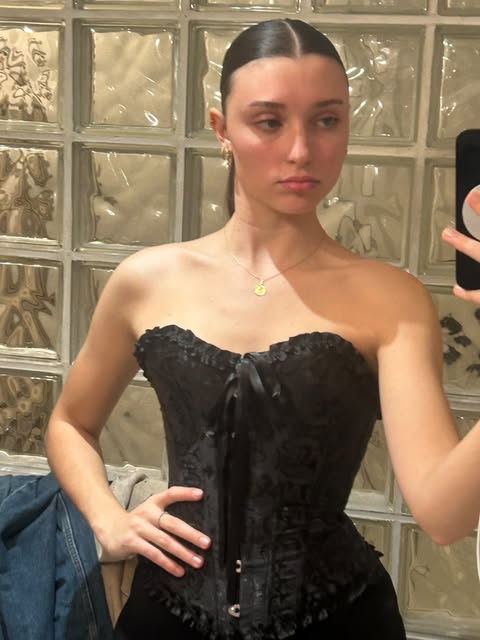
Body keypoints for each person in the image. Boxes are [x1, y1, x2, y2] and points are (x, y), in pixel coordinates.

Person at [45, 18, 480, 640]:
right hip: (166, 618)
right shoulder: (147, 280)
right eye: (270, 122)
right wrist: (108, 520)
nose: (301, 150)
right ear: (222, 129)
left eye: (326, 120)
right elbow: (69, 422)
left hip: (338, 623)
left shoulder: (392, 300)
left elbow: (443, 514)